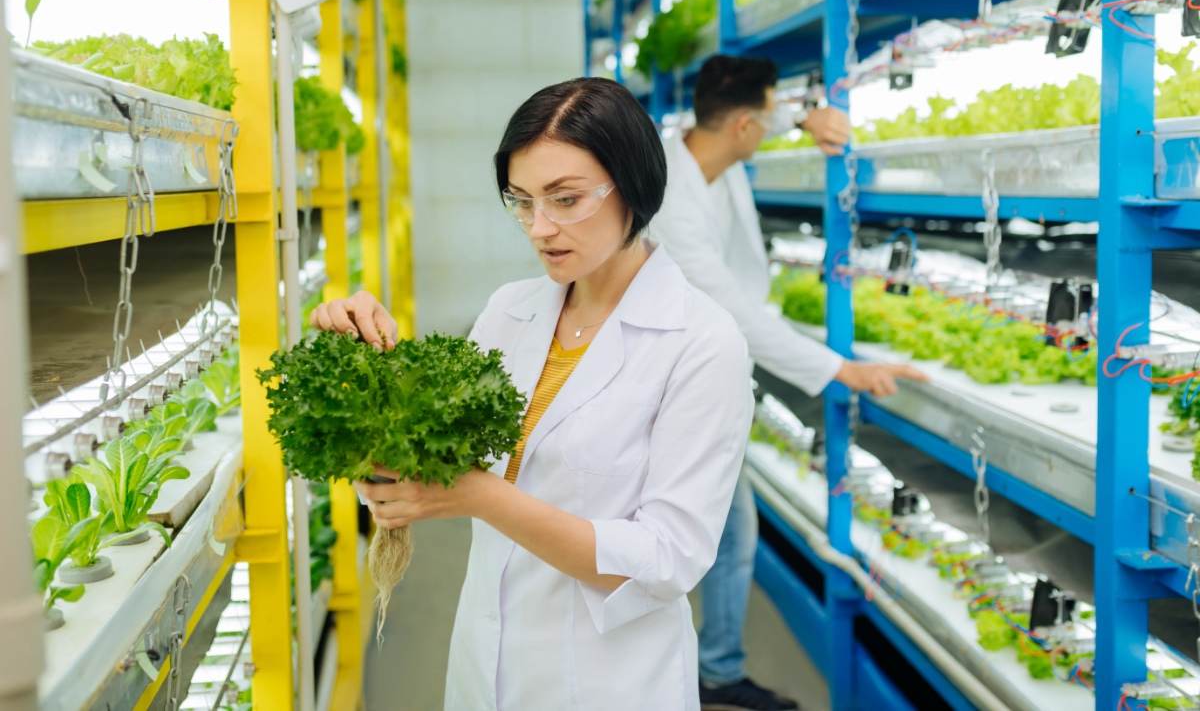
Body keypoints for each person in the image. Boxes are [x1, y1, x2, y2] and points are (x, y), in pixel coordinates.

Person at [309, 77, 755, 711]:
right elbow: (432, 467)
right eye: (521, 201)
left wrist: (482, 498)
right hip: (484, 664)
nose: (540, 228)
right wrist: (368, 378)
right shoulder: (509, 311)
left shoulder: (702, 342)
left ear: (632, 185)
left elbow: (668, 557)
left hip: (610, 683)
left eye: (566, 199)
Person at [650, 54, 927, 711]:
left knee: (724, 533)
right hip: (672, 390)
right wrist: (838, 368)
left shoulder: (710, 151)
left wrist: (808, 118)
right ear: (745, 125)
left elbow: (760, 120)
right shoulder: (670, 199)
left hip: (706, 381)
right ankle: (688, 674)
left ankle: (710, 667)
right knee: (697, 535)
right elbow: (733, 309)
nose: (777, 123)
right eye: (771, 114)